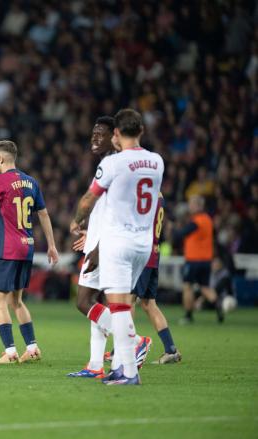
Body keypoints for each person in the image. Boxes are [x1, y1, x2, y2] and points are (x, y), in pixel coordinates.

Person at [70, 109, 164, 385]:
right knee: (109, 303)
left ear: (116, 135)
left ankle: (133, 348)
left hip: (114, 244)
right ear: (142, 131)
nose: (95, 138)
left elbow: (90, 200)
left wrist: (80, 227)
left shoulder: (113, 165)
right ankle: (101, 364)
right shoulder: (157, 161)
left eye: (103, 133)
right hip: (143, 244)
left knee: (95, 302)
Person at [0, 140, 58, 364]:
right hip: (27, 246)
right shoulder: (31, 181)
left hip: (7, 247)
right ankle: (33, 348)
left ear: (0, 159)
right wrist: (52, 245)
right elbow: (44, 214)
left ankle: (10, 352)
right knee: (16, 301)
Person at [133, 193, 182, 364]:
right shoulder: (158, 194)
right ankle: (171, 350)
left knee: (127, 301)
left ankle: (122, 348)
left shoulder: (144, 193)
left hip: (142, 251)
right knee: (148, 303)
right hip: (154, 251)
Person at [175, 195, 222, 324]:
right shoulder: (208, 220)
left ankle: (188, 315)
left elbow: (181, 234)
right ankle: (218, 307)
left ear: (197, 205)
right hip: (206, 260)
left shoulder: (196, 221)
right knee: (205, 287)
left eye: (191, 204)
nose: (189, 206)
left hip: (193, 259)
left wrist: (175, 230)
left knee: (187, 286)